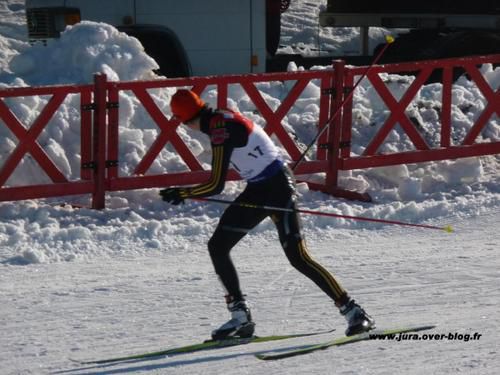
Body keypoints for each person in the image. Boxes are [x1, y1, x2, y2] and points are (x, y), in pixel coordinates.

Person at [160, 89, 375, 340]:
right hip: (259, 188)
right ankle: (240, 318)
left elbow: (215, 185)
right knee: (218, 245)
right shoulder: (219, 118)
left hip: (278, 187)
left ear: (185, 121)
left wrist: (183, 193)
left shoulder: (218, 130)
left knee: (298, 257)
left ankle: (355, 312)